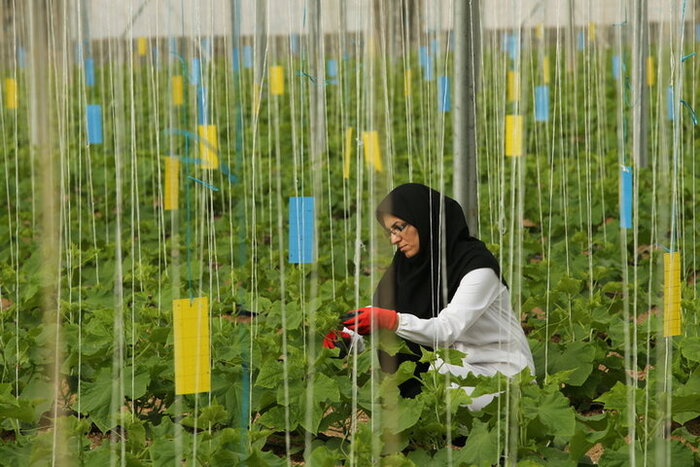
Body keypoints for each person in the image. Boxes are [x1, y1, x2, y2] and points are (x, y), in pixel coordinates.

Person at [327, 183, 535, 410]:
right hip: (454, 369)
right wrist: (347, 338)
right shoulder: (409, 266)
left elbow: (446, 330)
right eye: (390, 232)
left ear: (425, 219)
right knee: (429, 390)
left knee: (438, 396)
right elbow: (378, 312)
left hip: (501, 373)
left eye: (399, 227)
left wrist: (392, 321)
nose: (394, 240)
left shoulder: (478, 269)